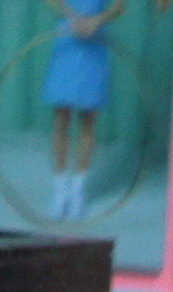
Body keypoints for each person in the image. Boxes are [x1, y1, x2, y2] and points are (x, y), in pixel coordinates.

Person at [43, 0, 118, 222]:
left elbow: (118, 7)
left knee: (88, 121)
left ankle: (78, 191)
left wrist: (96, 20)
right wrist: (72, 17)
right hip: (67, 40)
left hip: (94, 45)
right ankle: (60, 191)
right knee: (60, 119)